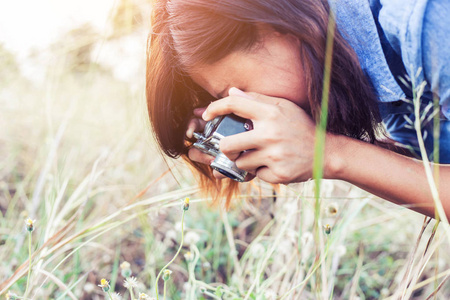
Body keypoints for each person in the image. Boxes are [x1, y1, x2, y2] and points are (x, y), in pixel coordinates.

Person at [146, 0, 450, 219]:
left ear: (277, 24)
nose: (248, 112)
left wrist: (330, 153)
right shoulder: (388, 93)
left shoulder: (430, 24)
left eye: (234, 93)